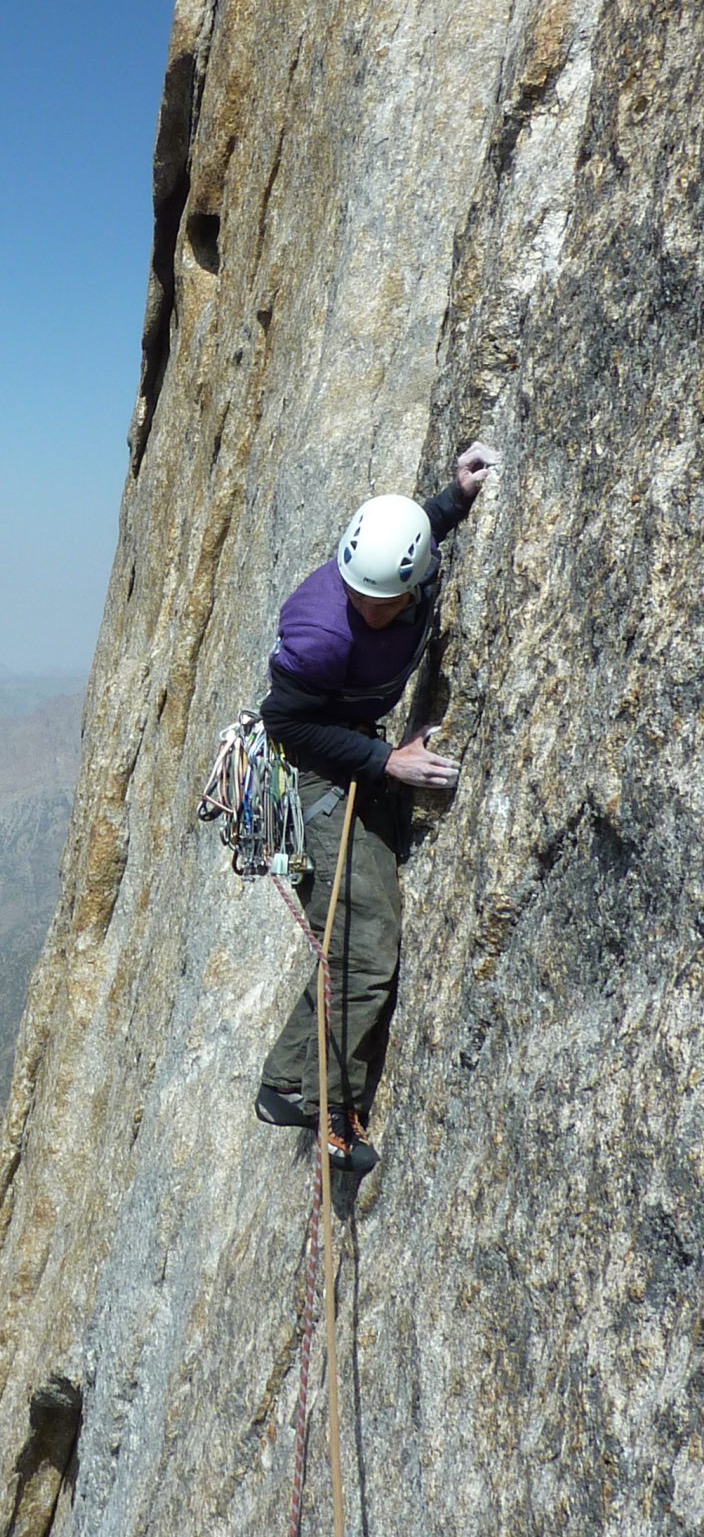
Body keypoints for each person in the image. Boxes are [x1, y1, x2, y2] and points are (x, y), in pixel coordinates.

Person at [255, 439, 501, 1174]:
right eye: (360, 593)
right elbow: (286, 724)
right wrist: (384, 760)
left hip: (353, 746)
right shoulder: (323, 631)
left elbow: (409, 538)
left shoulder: (400, 569)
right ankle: (315, 1101)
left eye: (382, 599)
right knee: (364, 950)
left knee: (356, 943)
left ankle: (294, 1083)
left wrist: (455, 498)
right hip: (315, 770)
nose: (369, 604)